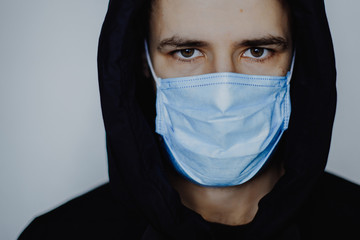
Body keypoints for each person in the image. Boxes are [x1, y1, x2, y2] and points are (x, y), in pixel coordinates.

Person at [19, 0, 360, 239]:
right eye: (187, 52)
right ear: (142, 62)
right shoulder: (60, 234)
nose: (223, 94)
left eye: (257, 51)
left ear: (300, 61)